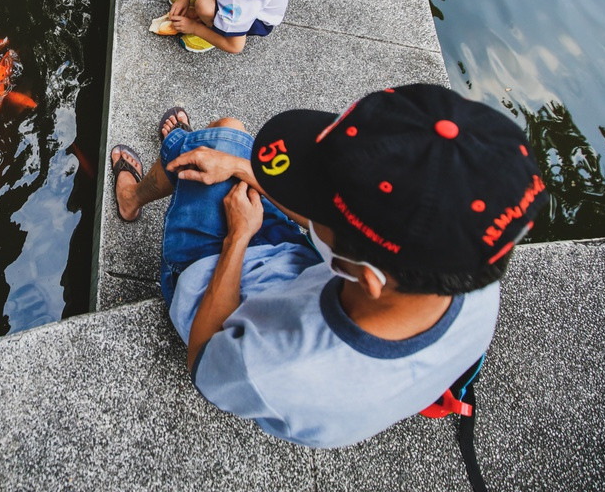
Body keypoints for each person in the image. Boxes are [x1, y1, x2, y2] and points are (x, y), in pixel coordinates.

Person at [108, 85, 547, 447]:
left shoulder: (276, 365)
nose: (308, 205)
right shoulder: (470, 271)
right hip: (293, 266)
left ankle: (136, 193)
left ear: (367, 275)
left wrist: (238, 238)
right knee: (229, 144)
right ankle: (190, 147)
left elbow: (204, 355)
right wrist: (242, 169)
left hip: (211, 278)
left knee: (216, 135)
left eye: (322, 207)